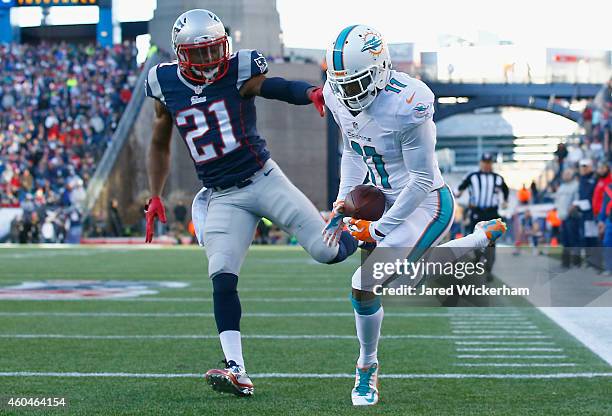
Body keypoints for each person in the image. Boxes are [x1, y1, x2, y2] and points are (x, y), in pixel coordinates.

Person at [143, 9, 358, 397]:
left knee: (328, 255)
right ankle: (237, 369)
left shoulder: (239, 69)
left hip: (264, 180)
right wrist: (155, 194)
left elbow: (272, 86)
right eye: (201, 54)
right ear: (181, 54)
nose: (211, 61)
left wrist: (308, 93)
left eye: (215, 50)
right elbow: (159, 141)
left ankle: (357, 230)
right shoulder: (163, 82)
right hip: (222, 196)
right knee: (221, 274)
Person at [322, 24, 506, 406]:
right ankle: (475, 240)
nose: (348, 94)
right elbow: (354, 151)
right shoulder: (336, 93)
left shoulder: (408, 101)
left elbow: (422, 179)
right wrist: (342, 203)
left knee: (372, 281)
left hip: (425, 202)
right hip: (382, 200)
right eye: (342, 84)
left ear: (380, 68)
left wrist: (379, 229)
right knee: (383, 285)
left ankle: (365, 369)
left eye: (357, 83)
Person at [456, 153, 510, 232]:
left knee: (491, 239)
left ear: (491, 163)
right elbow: (460, 188)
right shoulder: (472, 176)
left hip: (492, 212)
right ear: (480, 163)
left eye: (488, 162)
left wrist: (505, 201)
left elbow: (505, 190)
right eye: (484, 162)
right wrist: (458, 195)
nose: (486, 165)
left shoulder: (498, 178)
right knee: (475, 237)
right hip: (477, 211)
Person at [555, 169, 580, 268]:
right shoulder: (562, 187)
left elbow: (576, 201)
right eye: (564, 174)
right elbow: (558, 201)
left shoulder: (576, 185)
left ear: (572, 174)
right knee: (565, 240)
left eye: (568, 173)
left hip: (572, 217)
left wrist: (570, 210)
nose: (566, 176)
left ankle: (576, 262)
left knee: (573, 239)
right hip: (563, 217)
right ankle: (566, 262)